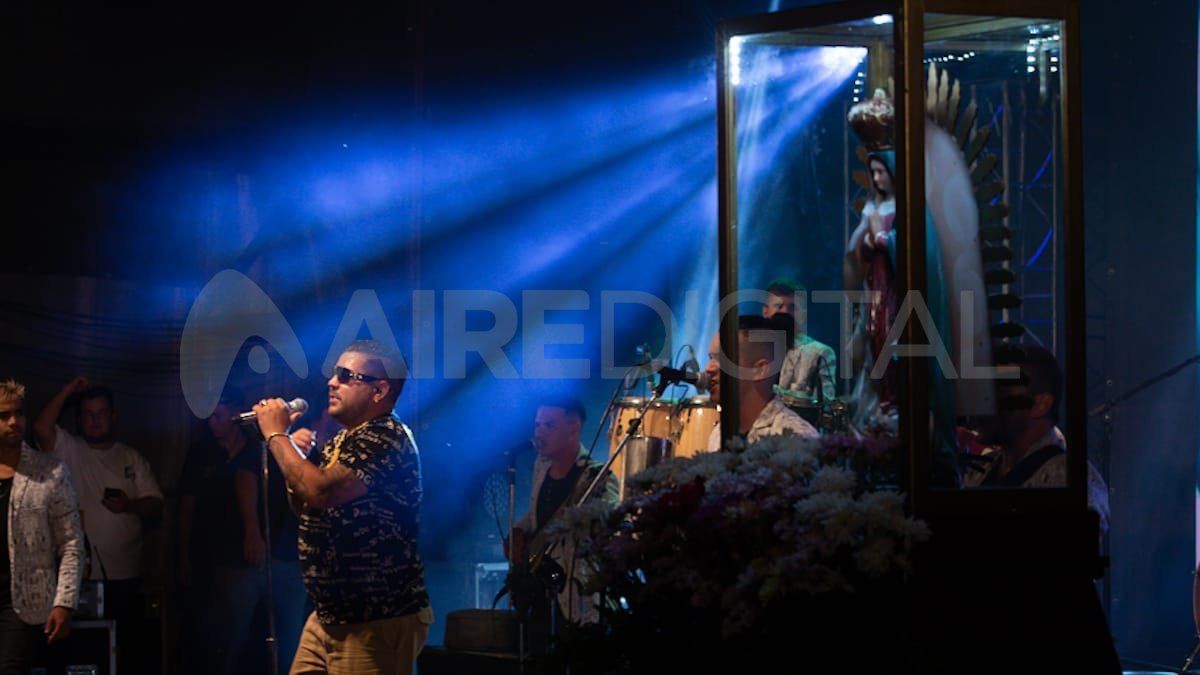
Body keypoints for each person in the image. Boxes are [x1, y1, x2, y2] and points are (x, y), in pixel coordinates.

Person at [252, 339, 431, 675]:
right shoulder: (343, 440)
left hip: (373, 619)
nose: (331, 382)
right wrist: (297, 456)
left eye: (346, 376)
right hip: (330, 616)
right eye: (335, 374)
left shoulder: (385, 437)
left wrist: (276, 435)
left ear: (379, 391)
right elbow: (309, 505)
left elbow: (321, 492)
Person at [33, 377, 163, 673]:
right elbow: (41, 428)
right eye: (89, 414)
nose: (95, 420)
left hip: (125, 575)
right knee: (81, 653)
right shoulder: (69, 448)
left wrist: (129, 505)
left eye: (101, 413)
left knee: (126, 652)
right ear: (79, 419)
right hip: (78, 579)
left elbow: (156, 503)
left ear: (113, 416)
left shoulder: (131, 456)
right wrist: (66, 391)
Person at [508, 397, 619, 650]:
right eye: (537, 425)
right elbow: (537, 514)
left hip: (576, 592)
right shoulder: (541, 466)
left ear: (573, 428)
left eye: (549, 426)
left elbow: (609, 530)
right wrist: (518, 531)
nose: (539, 433)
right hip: (540, 590)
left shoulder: (597, 476)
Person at [963, 346, 1110, 535]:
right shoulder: (976, 470)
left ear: (1040, 405)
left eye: (997, 389)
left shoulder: (1074, 479)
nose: (982, 401)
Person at [0, 379, 84, 675]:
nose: (14, 422)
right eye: (3, 415)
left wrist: (64, 602)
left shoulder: (50, 471)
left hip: (22, 601)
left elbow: (72, 543)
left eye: (19, 413)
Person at [706, 314, 819, 451]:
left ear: (760, 369)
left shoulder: (797, 439)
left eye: (722, 358)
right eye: (710, 358)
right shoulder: (718, 433)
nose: (708, 368)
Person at [763, 278, 837, 405]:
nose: (785, 312)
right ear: (765, 311)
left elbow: (825, 405)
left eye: (792, 307)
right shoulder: (751, 350)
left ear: (803, 314)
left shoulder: (821, 353)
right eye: (778, 306)